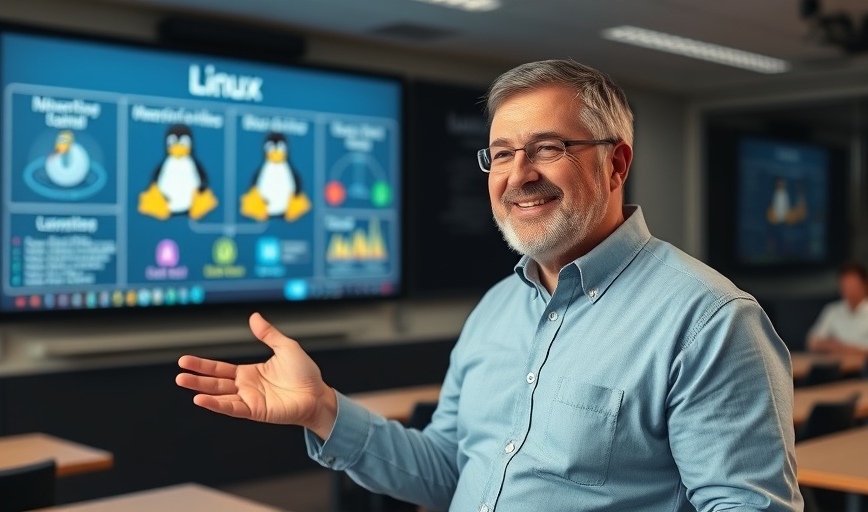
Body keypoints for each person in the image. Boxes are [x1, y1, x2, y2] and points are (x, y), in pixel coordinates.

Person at [176, 59, 802, 511]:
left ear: (616, 164)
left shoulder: (710, 321)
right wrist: (322, 411)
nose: (518, 175)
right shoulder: (498, 308)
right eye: (501, 154)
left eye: (546, 148)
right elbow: (451, 470)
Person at [807, 262, 868, 355]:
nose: (848, 289)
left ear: (864, 285)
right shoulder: (832, 310)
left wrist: (845, 349)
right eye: (845, 284)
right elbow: (812, 342)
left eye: (852, 284)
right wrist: (829, 345)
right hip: (834, 365)